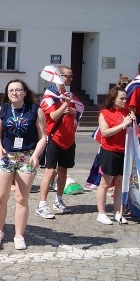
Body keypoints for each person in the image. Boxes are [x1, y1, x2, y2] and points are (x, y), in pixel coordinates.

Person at [0, 79, 47, 250]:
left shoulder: (35, 110)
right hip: (7, 156)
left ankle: (19, 235)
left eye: (18, 90)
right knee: (0, 197)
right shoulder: (2, 110)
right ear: (7, 93)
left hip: (27, 157)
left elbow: (43, 137)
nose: (14, 93)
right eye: (11, 90)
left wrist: (37, 155)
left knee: (21, 198)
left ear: (24, 92)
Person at [36, 66, 82, 219]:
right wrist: (64, 105)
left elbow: (77, 113)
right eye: (66, 76)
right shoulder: (49, 96)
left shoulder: (69, 96)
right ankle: (42, 204)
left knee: (63, 172)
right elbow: (53, 117)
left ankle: (59, 200)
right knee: (49, 172)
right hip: (54, 138)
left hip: (68, 139)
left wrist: (74, 111)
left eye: (71, 77)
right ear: (58, 76)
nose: (69, 79)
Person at [96, 87, 136, 225]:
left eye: (126, 98)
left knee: (119, 183)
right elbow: (105, 132)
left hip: (124, 151)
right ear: (113, 99)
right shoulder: (105, 113)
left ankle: (118, 212)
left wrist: (133, 123)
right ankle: (101, 213)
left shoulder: (127, 111)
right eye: (121, 98)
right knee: (105, 183)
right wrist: (123, 124)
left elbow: (132, 131)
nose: (125, 101)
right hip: (110, 151)